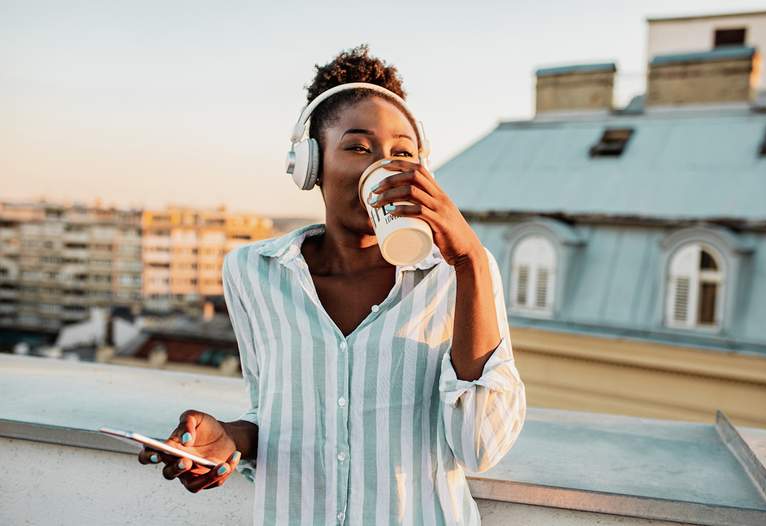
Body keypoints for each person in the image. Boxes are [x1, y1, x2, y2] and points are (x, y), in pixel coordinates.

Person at [138, 44, 526, 525]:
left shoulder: (458, 272)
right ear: (310, 164)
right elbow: (277, 414)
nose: (382, 167)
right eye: (359, 147)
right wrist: (228, 439)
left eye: (402, 153)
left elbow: (480, 446)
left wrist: (469, 260)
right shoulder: (252, 272)